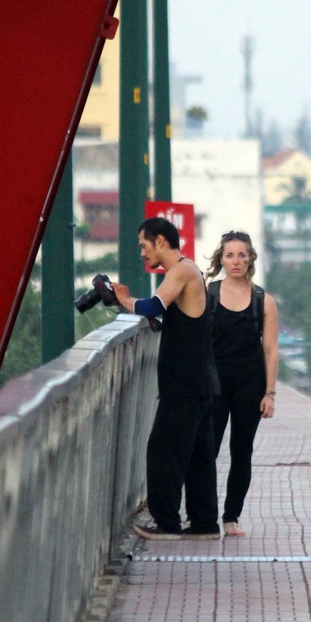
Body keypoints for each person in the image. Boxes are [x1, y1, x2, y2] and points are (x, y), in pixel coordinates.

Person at [113, 217, 221, 540]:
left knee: (164, 452)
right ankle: (204, 524)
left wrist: (123, 299)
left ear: (161, 241)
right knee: (199, 457)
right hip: (199, 382)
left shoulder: (182, 271)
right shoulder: (187, 271)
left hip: (184, 385)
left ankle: (167, 524)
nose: (143, 254)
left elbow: (154, 305)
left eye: (144, 246)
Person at [204, 230, 279, 536]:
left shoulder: (264, 300)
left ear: (251, 259)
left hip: (250, 384)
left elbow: (271, 349)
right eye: (230, 255)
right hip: (214, 384)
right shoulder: (208, 293)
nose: (235, 261)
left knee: (241, 450)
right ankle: (203, 515)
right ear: (221, 259)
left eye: (242, 255)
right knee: (206, 450)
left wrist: (270, 393)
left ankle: (230, 516)